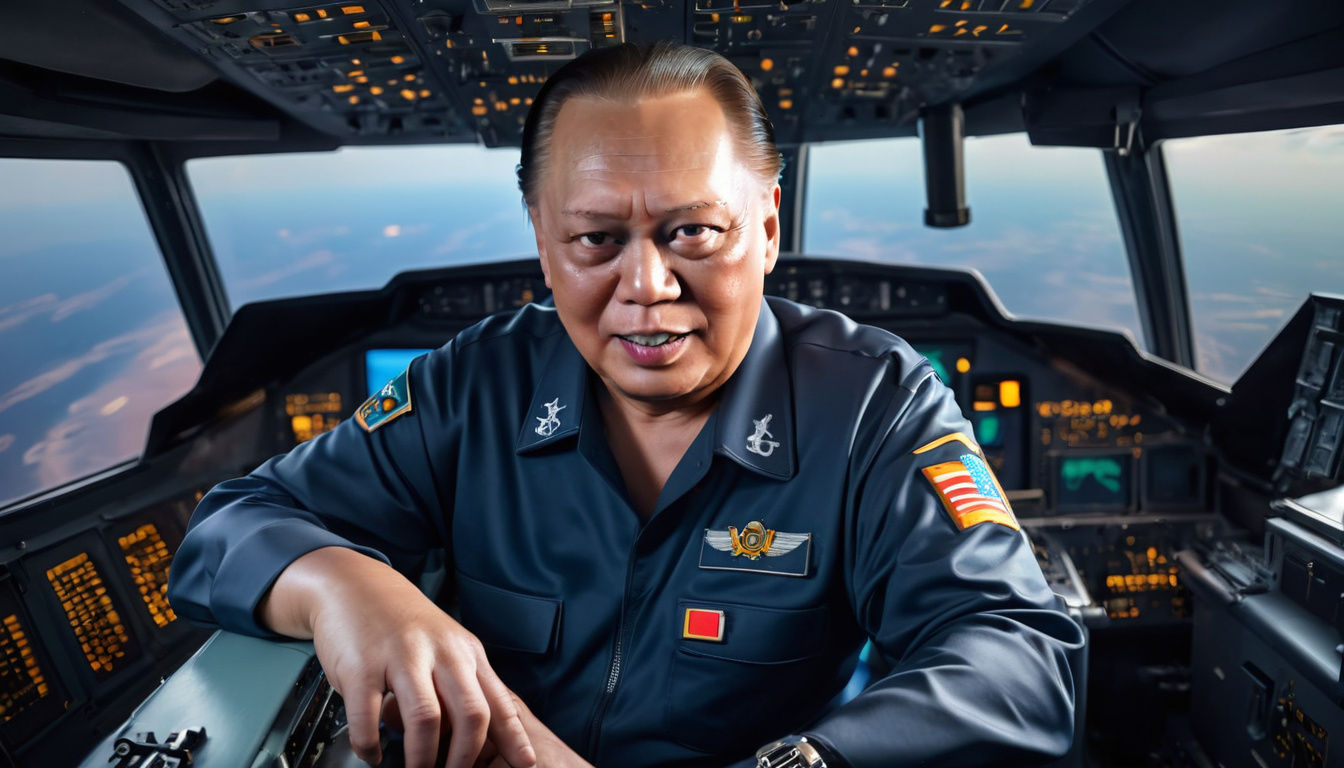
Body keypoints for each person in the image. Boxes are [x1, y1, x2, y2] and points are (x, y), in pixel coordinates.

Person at [168, 41, 1083, 768]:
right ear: (542, 241)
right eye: (597, 239)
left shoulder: (873, 403)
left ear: (766, 227)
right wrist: (349, 589)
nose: (645, 286)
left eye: (692, 231)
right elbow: (229, 524)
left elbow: (1018, 656)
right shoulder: (473, 385)